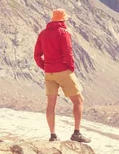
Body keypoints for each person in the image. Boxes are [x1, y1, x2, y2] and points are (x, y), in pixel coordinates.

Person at [34, 8, 90, 143]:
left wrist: (45, 66)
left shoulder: (43, 34)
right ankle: (76, 133)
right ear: (63, 20)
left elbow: (36, 55)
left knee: (51, 104)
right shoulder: (63, 33)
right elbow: (68, 53)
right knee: (78, 100)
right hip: (63, 71)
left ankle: (53, 136)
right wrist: (70, 68)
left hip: (49, 73)